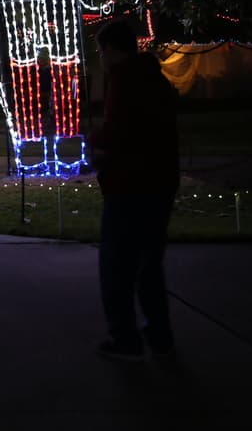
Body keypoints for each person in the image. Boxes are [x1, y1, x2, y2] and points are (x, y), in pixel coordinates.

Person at [87, 19, 180, 361]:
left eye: (101, 51)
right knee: (149, 264)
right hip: (160, 182)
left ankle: (125, 338)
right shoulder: (154, 77)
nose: (100, 58)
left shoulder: (124, 79)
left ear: (112, 50)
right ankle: (160, 335)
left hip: (130, 185)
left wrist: (95, 140)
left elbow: (120, 131)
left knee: (116, 265)